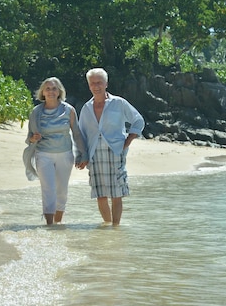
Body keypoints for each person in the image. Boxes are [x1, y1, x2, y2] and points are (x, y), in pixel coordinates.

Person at [78, 68, 144, 226]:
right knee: (100, 193)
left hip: (115, 151)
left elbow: (138, 120)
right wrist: (82, 156)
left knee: (116, 193)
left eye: (99, 82)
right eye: (93, 83)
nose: (96, 86)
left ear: (106, 84)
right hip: (94, 153)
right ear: (89, 86)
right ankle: (108, 225)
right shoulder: (86, 108)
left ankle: (116, 228)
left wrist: (127, 141)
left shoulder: (119, 103)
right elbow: (81, 134)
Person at [25, 77, 88, 225]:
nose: (51, 91)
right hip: (43, 154)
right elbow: (29, 139)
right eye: (48, 88)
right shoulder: (36, 112)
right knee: (48, 189)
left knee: (62, 191)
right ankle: (49, 224)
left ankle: (58, 223)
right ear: (42, 92)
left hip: (65, 154)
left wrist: (83, 154)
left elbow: (77, 133)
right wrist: (34, 138)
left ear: (59, 91)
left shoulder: (69, 110)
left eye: (54, 88)